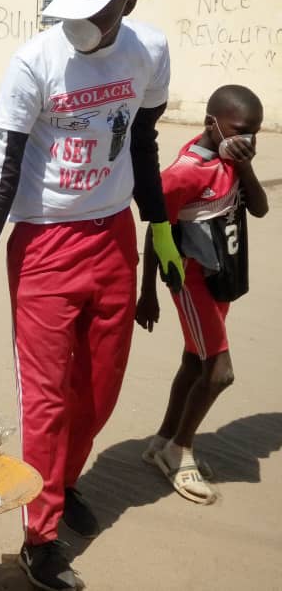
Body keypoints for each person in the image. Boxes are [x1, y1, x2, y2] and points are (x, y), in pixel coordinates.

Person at [0, 0, 185, 590]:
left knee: (98, 390)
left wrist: (159, 228)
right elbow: (2, 170)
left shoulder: (148, 53)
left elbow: (143, 140)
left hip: (114, 239)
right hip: (45, 246)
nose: (76, 27)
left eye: (93, 16)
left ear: (125, 7)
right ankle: (39, 540)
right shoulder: (35, 62)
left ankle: (66, 481)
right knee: (46, 402)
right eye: (68, 14)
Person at [136, 85, 268, 505]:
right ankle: (181, 450)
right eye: (241, 131)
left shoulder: (231, 163)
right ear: (212, 123)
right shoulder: (185, 172)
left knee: (195, 361)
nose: (248, 140)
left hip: (221, 278)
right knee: (220, 371)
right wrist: (148, 293)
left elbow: (261, 208)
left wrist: (244, 166)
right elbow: (156, 228)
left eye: (256, 133)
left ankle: (162, 441)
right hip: (191, 282)